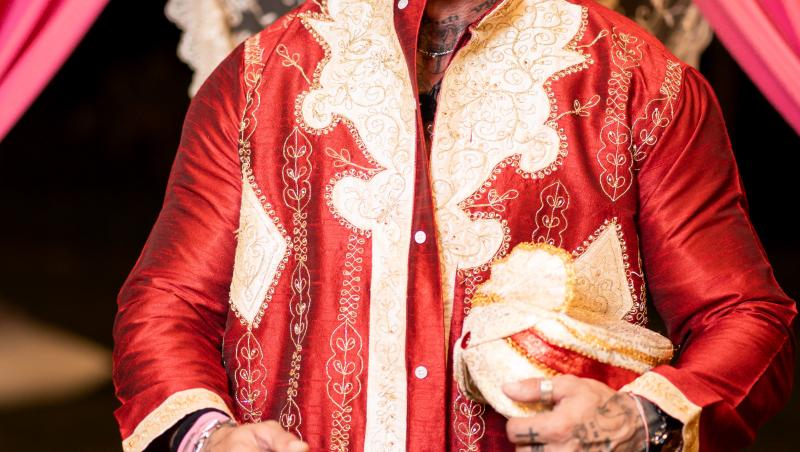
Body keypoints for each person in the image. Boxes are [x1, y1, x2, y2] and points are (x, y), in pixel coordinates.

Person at [112, 0, 796, 450]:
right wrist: (208, 436)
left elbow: (746, 316)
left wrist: (639, 421)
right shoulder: (259, 80)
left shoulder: (642, 85)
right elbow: (166, 306)